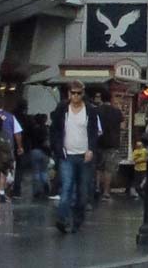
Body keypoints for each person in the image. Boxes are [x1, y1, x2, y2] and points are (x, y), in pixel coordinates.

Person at [49, 80, 99, 234]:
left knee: (83, 192)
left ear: (83, 94)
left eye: (78, 93)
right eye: (73, 93)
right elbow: (55, 130)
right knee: (67, 187)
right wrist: (58, 149)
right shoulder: (62, 109)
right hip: (67, 155)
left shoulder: (90, 110)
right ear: (68, 93)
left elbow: (94, 132)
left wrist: (91, 149)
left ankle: (77, 220)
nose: (75, 96)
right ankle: (62, 219)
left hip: (84, 156)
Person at [95, 89, 124, 202]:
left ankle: (97, 188)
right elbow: (122, 126)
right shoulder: (116, 112)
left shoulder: (96, 110)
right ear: (111, 98)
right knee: (108, 170)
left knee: (98, 168)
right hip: (112, 143)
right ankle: (106, 192)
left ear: (101, 98)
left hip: (98, 142)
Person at [0, 99, 24, 202]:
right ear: (3, 104)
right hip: (6, 146)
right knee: (4, 169)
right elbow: (17, 133)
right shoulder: (10, 117)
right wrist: (20, 146)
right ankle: (1, 192)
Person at [29, 114, 50, 199]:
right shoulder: (45, 129)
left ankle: (37, 191)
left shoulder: (33, 129)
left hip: (34, 151)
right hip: (44, 152)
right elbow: (47, 142)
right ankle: (45, 186)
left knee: (36, 172)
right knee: (44, 171)